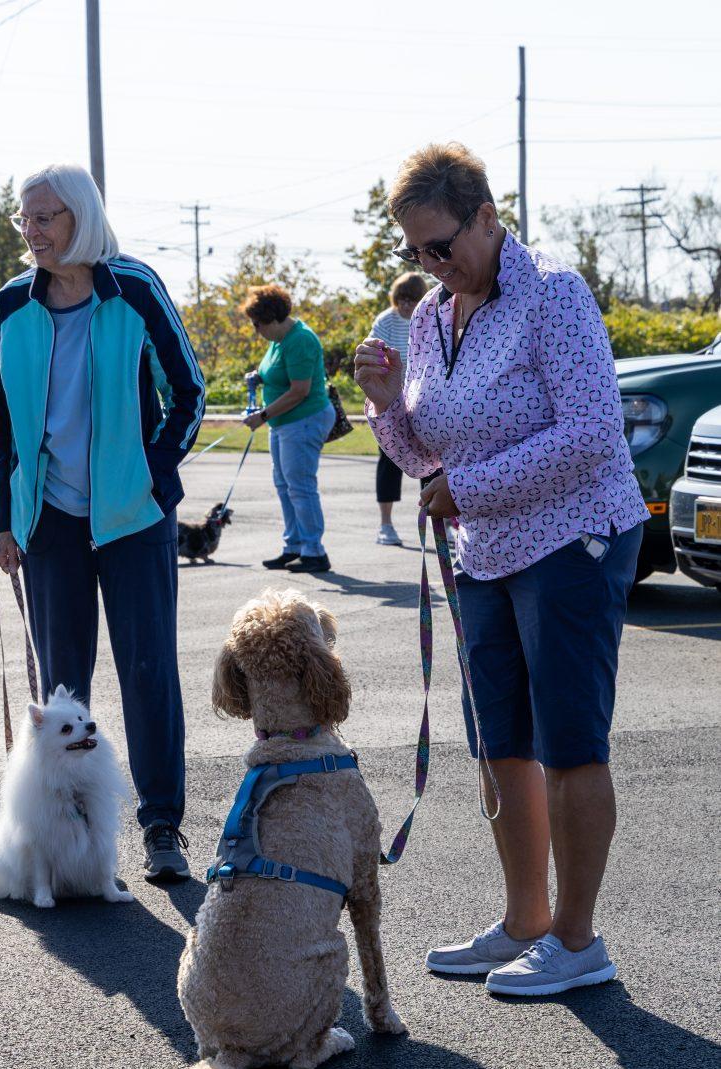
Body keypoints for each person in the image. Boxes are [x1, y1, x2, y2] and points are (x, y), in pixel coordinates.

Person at [355, 142, 648, 997]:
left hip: (573, 540)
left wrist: (469, 488)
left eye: (441, 245)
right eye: (415, 251)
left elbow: (592, 430)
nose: (430, 264)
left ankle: (578, 941)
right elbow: (426, 460)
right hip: (484, 550)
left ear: (486, 216)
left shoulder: (554, 293)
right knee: (500, 742)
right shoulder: (431, 316)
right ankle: (526, 921)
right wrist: (387, 408)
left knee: (569, 743)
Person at [0, 163, 205, 883]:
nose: (31, 230)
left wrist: (154, 476)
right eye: (25, 218)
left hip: (133, 518)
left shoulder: (133, 287)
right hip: (48, 521)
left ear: (80, 217)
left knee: (148, 674)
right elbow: (3, 424)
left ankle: (161, 826)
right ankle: (69, 841)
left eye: (44, 217)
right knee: (61, 691)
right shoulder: (14, 302)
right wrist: (4, 520)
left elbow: (189, 390)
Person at [242, 285, 334, 574]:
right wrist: (259, 377)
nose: (256, 330)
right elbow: (276, 372)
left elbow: (299, 391)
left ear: (272, 318)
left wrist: (263, 415)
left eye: (257, 324)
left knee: (300, 487)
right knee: (284, 486)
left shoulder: (300, 340)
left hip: (304, 421)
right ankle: (294, 546)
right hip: (283, 424)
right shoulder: (279, 340)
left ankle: (314, 552)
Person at [369, 272, 428, 546]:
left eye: (411, 300)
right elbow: (372, 353)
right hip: (393, 404)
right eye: (402, 299)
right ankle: (386, 524)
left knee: (433, 466)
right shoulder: (386, 321)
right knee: (389, 463)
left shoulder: (429, 318)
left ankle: (442, 523)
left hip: (423, 403)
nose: (405, 305)